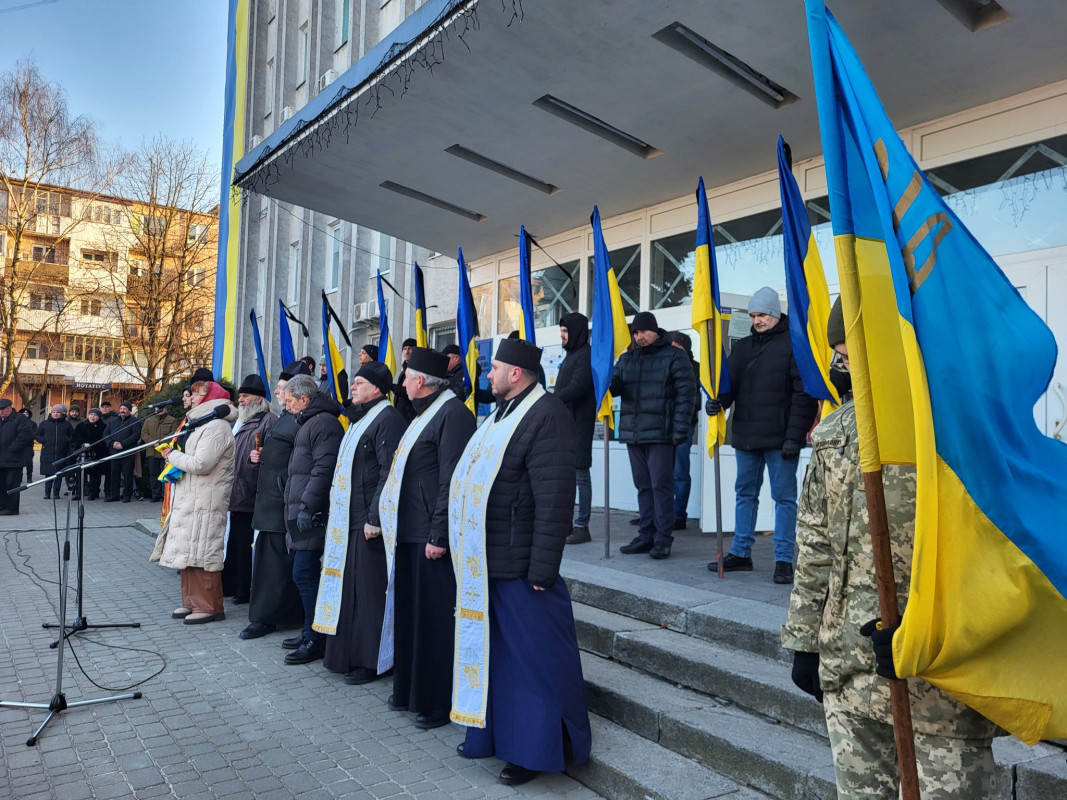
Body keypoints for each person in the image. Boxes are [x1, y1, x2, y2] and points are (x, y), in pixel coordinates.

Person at [782, 299, 998, 799]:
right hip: (849, 670)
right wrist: (804, 639)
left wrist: (933, 627)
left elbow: (998, 557)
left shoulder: (961, 428)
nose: (846, 369)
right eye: (840, 357)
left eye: (852, 354)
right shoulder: (836, 432)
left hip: (940, 681)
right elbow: (815, 540)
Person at [451, 338, 591, 786]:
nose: (486, 376)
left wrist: (543, 569)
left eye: (493, 369)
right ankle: (492, 736)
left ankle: (534, 752)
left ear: (516, 373)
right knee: (497, 660)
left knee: (532, 664)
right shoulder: (502, 413)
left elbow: (554, 499)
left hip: (522, 565)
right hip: (488, 560)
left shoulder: (547, 414)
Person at [378, 347, 475, 729]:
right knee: (410, 615)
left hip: (431, 538)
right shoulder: (422, 415)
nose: (402, 383)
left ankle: (436, 701)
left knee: (433, 620)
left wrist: (438, 534)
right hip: (408, 532)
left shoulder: (453, 414)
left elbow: (451, 480)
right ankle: (410, 688)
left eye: (406, 377)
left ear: (421, 381)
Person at [705, 287, 818, 584]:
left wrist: (795, 436)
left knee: (784, 499)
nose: (757, 320)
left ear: (775, 313)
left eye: (763, 314)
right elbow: (729, 388)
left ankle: (783, 560)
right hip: (745, 436)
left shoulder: (794, 344)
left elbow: (803, 395)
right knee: (745, 495)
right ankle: (740, 552)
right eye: (754, 315)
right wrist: (718, 401)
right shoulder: (741, 348)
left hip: (781, 439)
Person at [314, 361, 406, 685]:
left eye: (358, 383)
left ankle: (371, 660)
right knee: (347, 591)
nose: (352, 387)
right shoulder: (360, 416)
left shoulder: (387, 418)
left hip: (368, 524)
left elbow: (388, 471)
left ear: (377, 389)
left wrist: (375, 517)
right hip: (347, 522)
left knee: (368, 595)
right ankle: (344, 656)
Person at [610, 311, 697, 560]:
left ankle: (663, 539)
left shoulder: (674, 356)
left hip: (661, 433)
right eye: (635, 333)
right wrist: (603, 372)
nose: (639, 337)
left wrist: (679, 429)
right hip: (633, 433)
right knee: (643, 487)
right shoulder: (627, 359)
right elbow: (615, 387)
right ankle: (645, 535)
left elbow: (686, 395)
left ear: (655, 331)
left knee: (661, 487)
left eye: (643, 332)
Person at [150, 380, 237, 624]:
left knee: (203, 552)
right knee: (188, 553)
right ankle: (190, 602)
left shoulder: (217, 426)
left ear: (211, 399)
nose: (192, 397)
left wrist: (172, 455)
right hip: (192, 497)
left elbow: (201, 463)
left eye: (197, 394)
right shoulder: (199, 424)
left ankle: (209, 607)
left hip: (207, 499)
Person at [241, 362, 309, 641]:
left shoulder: (303, 420)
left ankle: (267, 618)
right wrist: (255, 458)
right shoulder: (284, 416)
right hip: (271, 500)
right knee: (270, 565)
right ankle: (267, 616)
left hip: (284, 501)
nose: (278, 393)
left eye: (282, 389)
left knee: (278, 567)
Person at [280, 373, 345, 665]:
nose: (288, 406)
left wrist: (307, 505)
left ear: (305, 400)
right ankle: (310, 630)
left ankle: (315, 638)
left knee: (304, 575)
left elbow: (323, 469)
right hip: (301, 509)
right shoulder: (310, 421)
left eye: (291, 401)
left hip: (312, 513)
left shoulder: (323, 423)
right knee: (302, 573)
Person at [223, 375, 277, 606]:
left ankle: (244, 589)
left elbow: (270, 456)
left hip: (252, 492)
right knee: (234, 542)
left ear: (257, 398)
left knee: (245, 544)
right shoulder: (241, 421)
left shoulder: (268, 421)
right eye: (240, 396)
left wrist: (258, 458)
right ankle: (232, 584)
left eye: (244, 396)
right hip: (236, 491)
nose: (240, 400)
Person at [553, 313, 596, 545]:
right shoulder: (571, 356)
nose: (562, 336)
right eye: (561, 332)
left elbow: (579, 387)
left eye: (565, 332)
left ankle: (582, 525)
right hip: (565, 424)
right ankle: (567, 523)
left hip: (580, 424)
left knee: (581, 476)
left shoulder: (585, 356)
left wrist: (552, 398)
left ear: (577, 332)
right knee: (567, 477)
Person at [669, 331, 701, 530]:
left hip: (684, 425)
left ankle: (679, 514)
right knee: (659, 473)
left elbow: (697, 399)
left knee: (680, 472)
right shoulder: (664, 364)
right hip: (661, 425)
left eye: (677, 347)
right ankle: (658, 514)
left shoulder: (696, 369)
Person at [0, 399, 36, 516]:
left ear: (10, 408)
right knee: (1, 485)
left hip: (14, 460)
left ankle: (12, 508)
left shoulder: (20, 419)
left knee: (12, 485)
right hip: (1, 460)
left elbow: (24, 437)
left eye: (3, 410)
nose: (1, 412)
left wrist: (11, 449)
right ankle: (2, 506)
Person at [35, 404, 75, 499]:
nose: (56, 414)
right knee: (48, 474)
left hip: (62, 453)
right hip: (47, 452)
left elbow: (72, 435)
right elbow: (36, 434)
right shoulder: (45, 423)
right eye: (54, 412)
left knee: (59, 474)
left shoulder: (66, 424)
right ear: (51, 413)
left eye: (58, 413)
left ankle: (56, 492)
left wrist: (66, 442)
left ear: (62, 414)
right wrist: (43, 440)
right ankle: (47, 492)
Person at [104, 401, 141, 503]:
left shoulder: (134, 422)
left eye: (125, 409)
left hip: (127, 452)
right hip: (114, 452)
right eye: (121, 409)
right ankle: (114, 494)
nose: (122, 411)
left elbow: (135, 435)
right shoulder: (113, 421)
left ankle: (126, 495)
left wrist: (123, 444)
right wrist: (112, 443)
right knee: (114, 474)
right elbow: (106, 434)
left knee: (127, 474)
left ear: (129, 411)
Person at [140, 405, 179, 502]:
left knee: (165, 473)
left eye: (162, 408)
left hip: (165, 452)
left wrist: (162, 444)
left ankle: (165, 495)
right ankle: (155, 495)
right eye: (158, 408)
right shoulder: (148, 420)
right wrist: (153, 442)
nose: (160, 410)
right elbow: (144, 434)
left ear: (166, 409)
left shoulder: (172, 420)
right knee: (154, 474)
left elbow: (174, 434)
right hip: (152, 452)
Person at [74, 408, 109, 500]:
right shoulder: (81, 425)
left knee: (95, 475)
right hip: (82, 454)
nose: (92, 417)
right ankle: (79, 493)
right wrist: (82, 445)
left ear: (99, 417)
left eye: (95, 415)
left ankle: (93, 493)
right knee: (80, 474)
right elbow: (75, 438)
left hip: (97, 453)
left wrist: (92, 445)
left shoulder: (103, 426)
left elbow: (103, 440)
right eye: (91, 414)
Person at [393, 338, 417, 424]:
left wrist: (391, 386)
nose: (407, 352)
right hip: (401, 416)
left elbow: (408, 392)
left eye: (410, 348)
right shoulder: (404, 370)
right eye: (404, 349)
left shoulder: (416, 370)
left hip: (410, 417)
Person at [19, 408, 34, 482]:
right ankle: (19, 476)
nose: (25, 415)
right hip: (19, 445)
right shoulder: (17, 423)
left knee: (29, 462)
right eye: (23, 414)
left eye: (27, 414)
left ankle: (29, 476)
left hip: (28, 446)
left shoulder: (33, 424)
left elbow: (35, 434)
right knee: (19, 462)